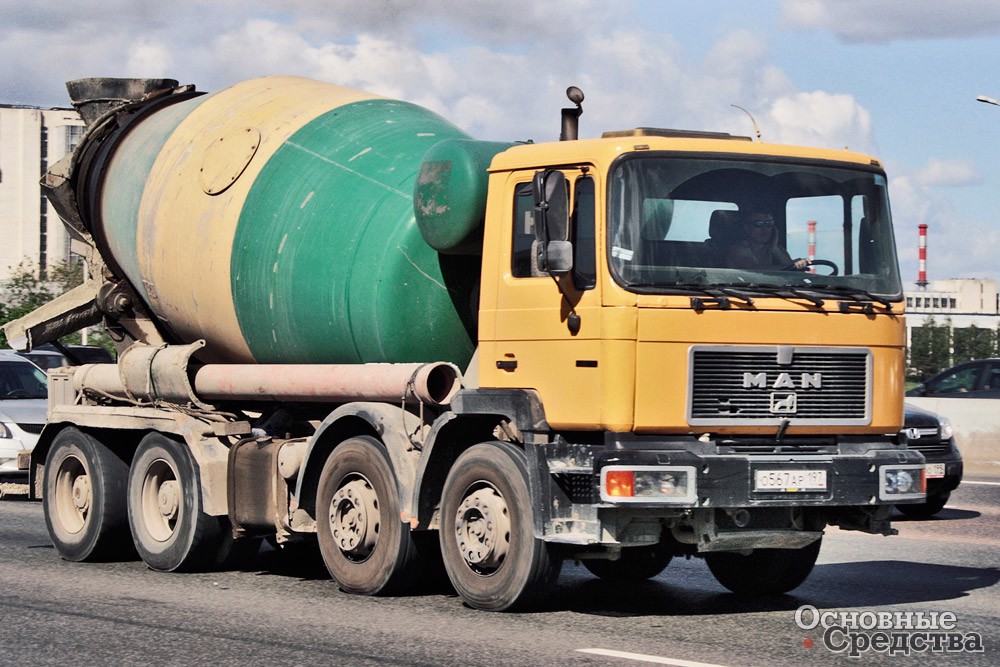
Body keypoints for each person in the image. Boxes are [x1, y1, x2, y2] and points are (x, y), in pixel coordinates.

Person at [727, 210, 809, 270]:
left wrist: (775, 249)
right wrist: (794, 264)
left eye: (769, 224)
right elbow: (756, 271)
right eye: (758, 224)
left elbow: (791, 270)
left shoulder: (776, 248)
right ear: (747, 228)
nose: (765, 229)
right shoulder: (738, 250)